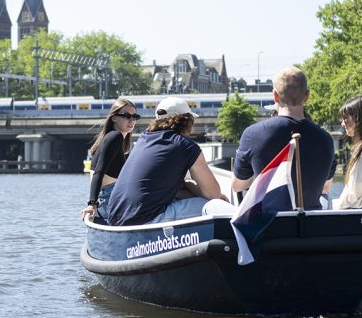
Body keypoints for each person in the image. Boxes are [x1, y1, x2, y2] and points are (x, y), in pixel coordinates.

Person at [231, 66, 336, 210]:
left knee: (212, 206)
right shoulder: (326, 139)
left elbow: (237, 185)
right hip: (310, 225)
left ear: (275, 96)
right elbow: (326, 188)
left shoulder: (252, 134)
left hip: (268, 227)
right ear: (307, 96)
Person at [107, 96, 223, 226]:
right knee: (216, 205)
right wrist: (189, 183)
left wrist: (184, 186)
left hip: (116, 221)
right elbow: (214, 194)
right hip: (145, 220)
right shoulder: (185, 145)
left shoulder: (143, 140)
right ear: (186, 121)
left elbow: (171, 192)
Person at [80, 98, 140, 220]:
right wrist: (92, 204)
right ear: (114, 118)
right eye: (127, 116)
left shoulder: (115, 139)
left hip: (111, 198)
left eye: (135, 116)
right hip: (109, 201)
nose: (132, 120)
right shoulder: (114, 137)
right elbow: (99, 172)